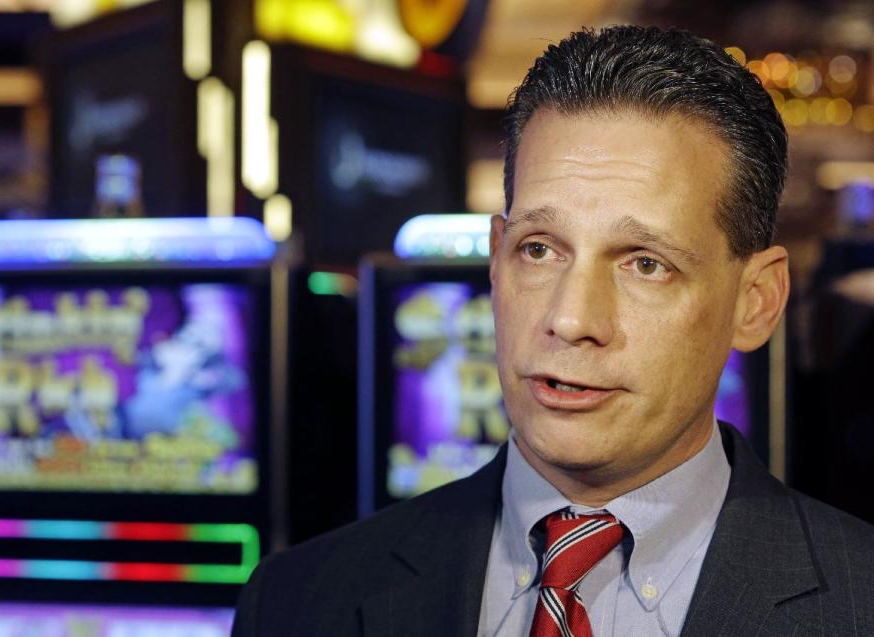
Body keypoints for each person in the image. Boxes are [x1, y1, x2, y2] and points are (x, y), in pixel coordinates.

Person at [232, 25, 874, 637]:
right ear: (495, 261)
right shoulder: (297, 602)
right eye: (539, 250)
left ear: (755, 302)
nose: (571, 320)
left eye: (645, 264)